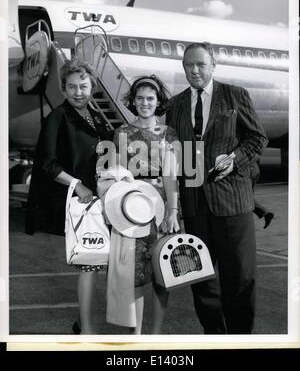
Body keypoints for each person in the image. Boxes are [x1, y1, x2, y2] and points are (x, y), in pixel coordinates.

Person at [166, 42, 268, 334]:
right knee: (200, 278)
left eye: (200, 64)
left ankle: (240, 338)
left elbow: (257, 138)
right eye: (189, 65)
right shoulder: (175, 104)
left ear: (213, 65)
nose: (194, 70)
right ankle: (214, 337)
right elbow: (174, 155)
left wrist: (232, 161)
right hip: (195, 203)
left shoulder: (235, 96)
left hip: (233, 201)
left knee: (240, 279)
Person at [25, 57, 113, 334]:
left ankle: (82, 321)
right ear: (64, 89)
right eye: (72, 87)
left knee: (104, 264)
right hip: (81, 201)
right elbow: (47, 163)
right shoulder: (58, 116)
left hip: (103, 200)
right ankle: (86, 331)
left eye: (83, 86)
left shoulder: (97, 117)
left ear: (92, 87)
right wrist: (77, 185)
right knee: (89, 265)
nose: (78, 92)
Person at [97, 75, 180, 334]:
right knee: (136, 277)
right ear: (133, 101)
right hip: (133, 209)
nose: (145, 103)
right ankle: (138, 335)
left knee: (161, 274)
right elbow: (118, 175)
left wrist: (172, 211)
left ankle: (155, 335)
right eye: (140, 98)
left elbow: (170, 176)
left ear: (158, 101)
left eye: (150, 98)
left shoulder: (169, 133)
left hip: (161, 208)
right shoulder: (122, 133)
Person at [251, 160, 274, 229]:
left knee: (245, 197)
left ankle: (265, 213)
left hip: (247, 168)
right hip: (253, 167)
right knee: (248, 196)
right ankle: (266, 214)